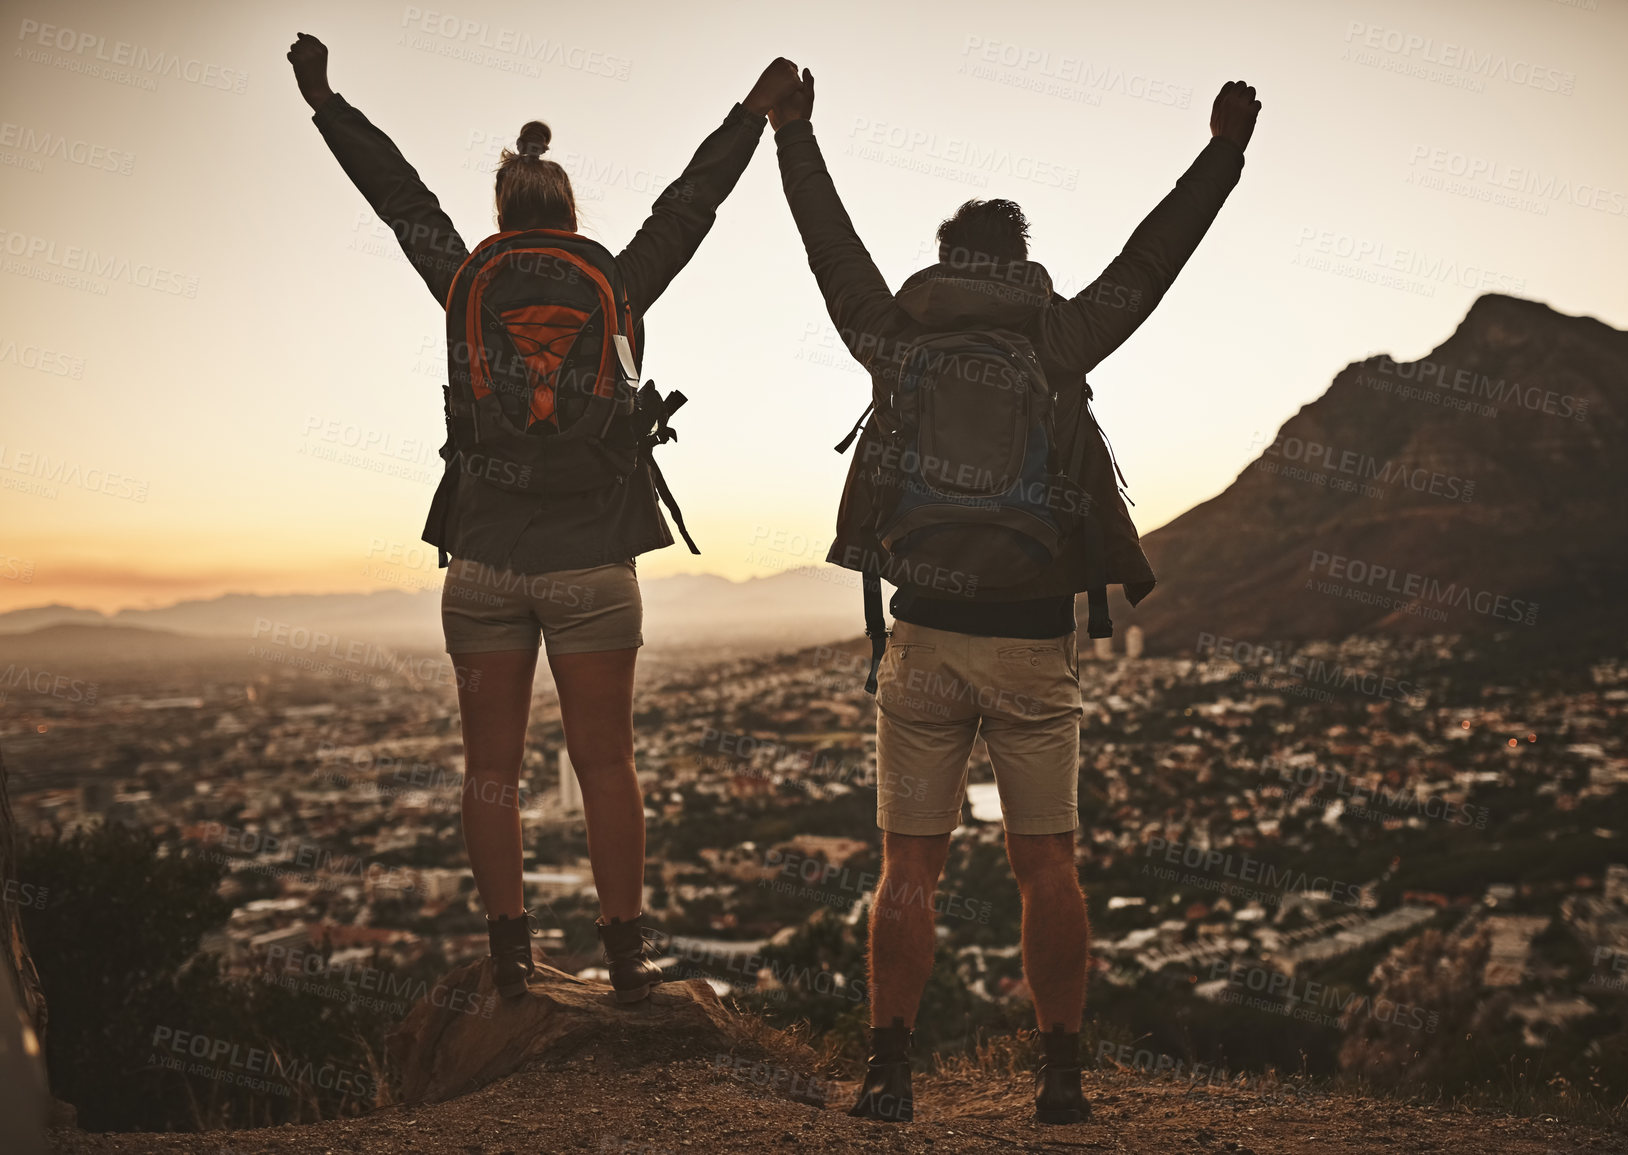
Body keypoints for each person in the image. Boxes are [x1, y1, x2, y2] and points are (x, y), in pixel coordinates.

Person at [766, 71, 1259, 1122]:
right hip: (1037, 643)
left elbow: (829, 245)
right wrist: (1223, 152)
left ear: (946, 261)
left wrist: (794, 133)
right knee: (1049, 871)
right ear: (1023, 255)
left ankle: (888, 1077)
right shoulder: (1060, 333)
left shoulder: (894, 335)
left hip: (925, 638)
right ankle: (1063, 1086)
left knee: (909, 874)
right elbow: (1152, 260)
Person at [287, 33, 803, 1004]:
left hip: (481, 553)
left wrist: (326, 101)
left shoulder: (467, 277)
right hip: (595, 555)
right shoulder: (612, 277)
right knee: (606, 764)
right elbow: (691, 206)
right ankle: (623, 961)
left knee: (490, 772)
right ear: (569, 210)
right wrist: (754, 113)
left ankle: (512, 960)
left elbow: (400, 201)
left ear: (502, 212)